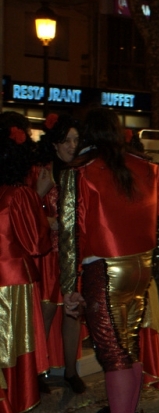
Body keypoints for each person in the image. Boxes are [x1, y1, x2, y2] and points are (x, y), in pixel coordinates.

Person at [59, 108, 159, 413]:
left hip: (103, 265)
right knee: (128, 345)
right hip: (141, 266)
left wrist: (69, 287)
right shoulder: (147, 167)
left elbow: (71, 235)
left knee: (113, 351)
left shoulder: (80, 173)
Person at [0, 122, 52, 413]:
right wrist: (41, 196)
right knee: (10, 357)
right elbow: (36, 242)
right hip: (11, 284)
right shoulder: (18, 194)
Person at [34, 114, 85, 393]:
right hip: (47, 253)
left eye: (77, 140)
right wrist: (46, 220)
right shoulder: (42, 172)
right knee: (46, 312)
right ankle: (37, 372)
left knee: (73, 311)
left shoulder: (82, 172)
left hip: (73, 251)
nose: (72, 145)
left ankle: (70, 371)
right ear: (55, 144)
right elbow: (19, 211)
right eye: (67, 140)